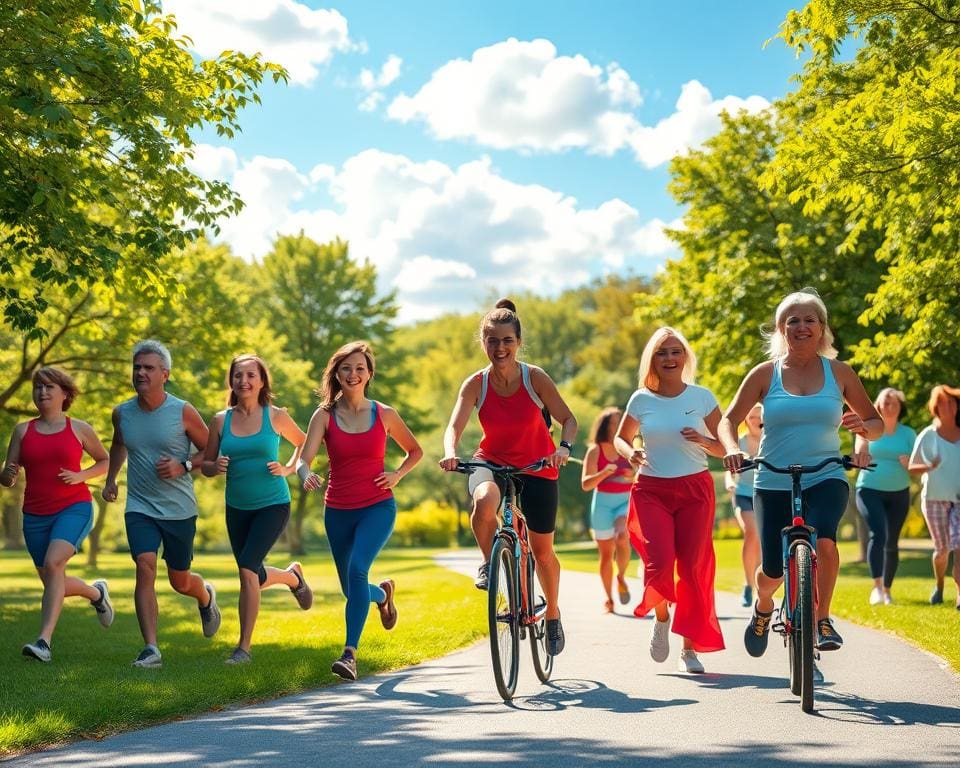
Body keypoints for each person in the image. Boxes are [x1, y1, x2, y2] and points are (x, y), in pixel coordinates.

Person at [720, 289, 881, 660]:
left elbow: (874, 422)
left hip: (825, 474)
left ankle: (822, 619)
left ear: (822, 328)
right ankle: (763, 606)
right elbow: (728, 420)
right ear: (782, 328)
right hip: (772, 478)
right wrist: (731, 448)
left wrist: (864, 431)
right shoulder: (765, 374)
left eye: (810, 320)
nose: (802, 326)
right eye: (793, 320)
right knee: (772, 572)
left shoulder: (840, 373)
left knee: (825, 541)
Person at [440, 299, 578, 656]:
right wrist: (451, 451)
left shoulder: (535, 378)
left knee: (543, 554)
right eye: (492, 340)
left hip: (537, 466)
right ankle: (490, 563)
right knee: (484, 501)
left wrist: (563, 447)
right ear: (482, 342)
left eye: (506, 341)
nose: (499, 348)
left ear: (518, 342)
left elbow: (568, 419)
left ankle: (552, 613)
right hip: (492, 461)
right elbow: (454, 426)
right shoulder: (476, 383)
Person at [298, 341, 422, 681]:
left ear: (369, 374)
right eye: (346, 368)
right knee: (350, 589)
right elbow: (303, 460)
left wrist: (397, 474)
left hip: (377, 506)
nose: (353, 374)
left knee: (357, 570)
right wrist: (306, 475)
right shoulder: (324, 415)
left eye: (360, 368)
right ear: (336, 374)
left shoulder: (384, 414)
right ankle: (382, 595)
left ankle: (349, 654)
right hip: (338, 510)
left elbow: (415, 451)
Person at [613, 326, 726, 674]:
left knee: (692, 570)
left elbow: (725, 448)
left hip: (695, 491)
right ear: (652, 360)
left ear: (685, 357)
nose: (669, 358)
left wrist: (704, 441)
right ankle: (662, 617)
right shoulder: (641, 399)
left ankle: (689, 650)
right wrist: (631, 452)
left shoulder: (702, 397)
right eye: (662, 352)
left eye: (676, 351)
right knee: (659, 563)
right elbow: (620, 438)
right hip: (652, 490)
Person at [103, 340, 221, 668]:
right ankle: (151, 648)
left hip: (179, 509)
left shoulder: (182, 411)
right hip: (139, 505)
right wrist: (111, 479)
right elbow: (118, 444)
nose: (141, 373)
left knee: (179, 581)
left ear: (165, 375)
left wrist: (183, 465)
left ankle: (204, 595)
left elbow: (211, 452)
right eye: (137, 367)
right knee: (144, 565)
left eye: (148, 368)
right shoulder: (122, 413)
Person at [201, 354, 313, 665]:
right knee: (253, 573)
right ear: (231, 381)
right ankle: (292, 578)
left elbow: (304, 442)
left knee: (247, 571)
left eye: (251, 375)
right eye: (238, 375)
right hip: (237, 508)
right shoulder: (220, 420)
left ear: (262, 381)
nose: (244, 381)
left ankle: (243, 649)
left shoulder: (276, 416)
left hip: (273, 504)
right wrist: (215, 466)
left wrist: (288, 468)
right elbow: (206, 464)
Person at [1, 367, 114, 662]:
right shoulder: (22, 431)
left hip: (74, 507)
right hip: (35, 515)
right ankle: (96, 594)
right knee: (53, 581)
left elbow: (105, 460)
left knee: (53, 564)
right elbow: (8, 475)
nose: (42, 392)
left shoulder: (79, 428)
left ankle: (44, 642)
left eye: (49, 387)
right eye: (38, 387)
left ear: (65, 393)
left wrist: (81, 476)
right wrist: (7, 474)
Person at [853, 388, 917, 606]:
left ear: (900, 407)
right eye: (884, 402)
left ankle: (887, 591)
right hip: (869, 489)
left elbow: (918, 466)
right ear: (878, 406)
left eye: (893, 403)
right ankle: (877, 588)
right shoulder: (868, 428)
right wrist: (862, 453)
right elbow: (861, 445)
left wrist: (910, 463)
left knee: (891, 541)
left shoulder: (908, 434)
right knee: (878, 533)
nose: (888, 406)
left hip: (899, 492)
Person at [908, 385, 960, 608]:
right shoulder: (928, 435)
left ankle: (959, 593)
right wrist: (930, 466)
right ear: (935, 408)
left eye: (951, 402)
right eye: (942, 403)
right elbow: (912, 467)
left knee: (959, 546)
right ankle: (939, 585)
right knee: (942, 549)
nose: (947, 407)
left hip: (958, 499)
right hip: (934, 499)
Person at [581, 407, 633, 613]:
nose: (619, 425)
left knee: (622, 535)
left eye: (621, 421)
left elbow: (641, 474)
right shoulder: (595, 450)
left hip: (625, 501)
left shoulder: (627, 448)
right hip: (602, 504)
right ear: (606, 426)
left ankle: (621, 576)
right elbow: (586, 484)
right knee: (605, 554)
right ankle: (609, 599)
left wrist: (633, 474)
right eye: (615, 422)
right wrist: (603, 473)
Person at [723, 403, 763, 607]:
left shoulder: (770, 440)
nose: (757, 420)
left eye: (760, 416)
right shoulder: (739, 442)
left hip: (764, 494)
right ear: (746, 420)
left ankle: (759, 586)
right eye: (752, 417)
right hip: (743, 494)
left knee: (763, 541)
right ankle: (748, 584)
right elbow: (729, 469)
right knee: (751, 532)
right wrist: (729, 482)